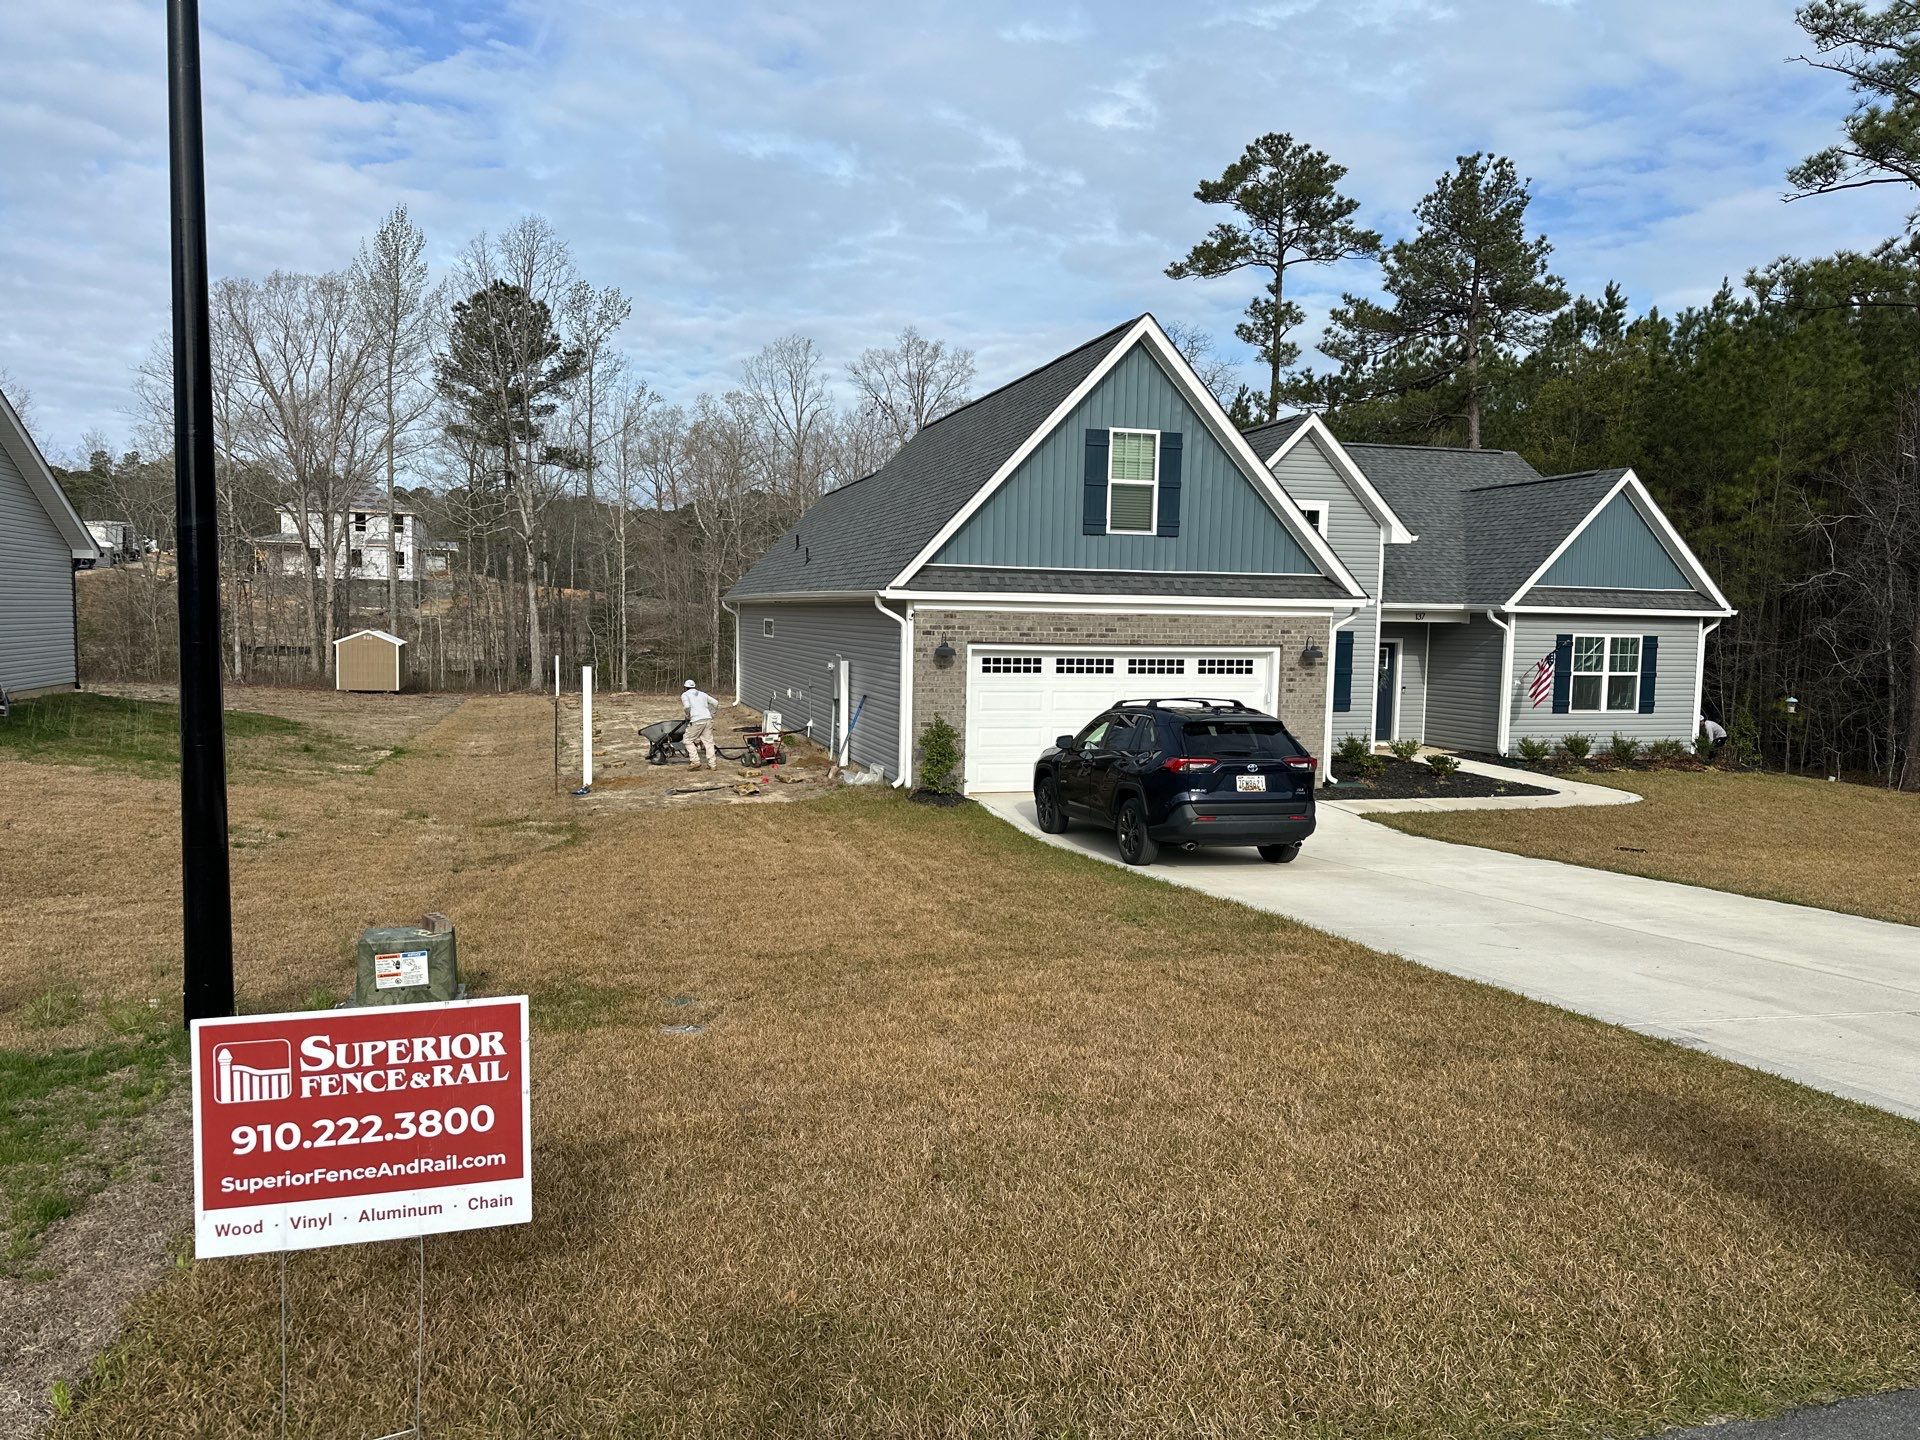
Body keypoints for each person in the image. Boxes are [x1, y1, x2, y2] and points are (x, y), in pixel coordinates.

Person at [681, 679, 719, 769]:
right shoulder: (703, 694)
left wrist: (688, 715)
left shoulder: (685, 695)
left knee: (687, 740)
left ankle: (695, 761)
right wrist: (712, 714)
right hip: (708, 719)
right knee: (708, 742)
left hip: (697, 720)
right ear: (694, 686)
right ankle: (712, 764)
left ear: (685, 687)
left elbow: (687, 706)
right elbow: (716, 703)